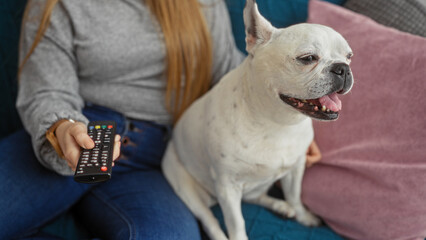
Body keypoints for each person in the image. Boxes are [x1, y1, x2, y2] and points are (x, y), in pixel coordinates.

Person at [0, 0, 321, 239]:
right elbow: (46, 91)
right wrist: (63, 127)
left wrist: (287, 120)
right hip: (85, 133)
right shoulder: (57, 4)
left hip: (170, 154)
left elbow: (230, 72)